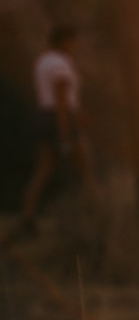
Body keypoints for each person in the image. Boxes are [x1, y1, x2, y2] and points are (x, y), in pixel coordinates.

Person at [5, 24, 99, 243]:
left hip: (45, 118)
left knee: (42, 170)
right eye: (73, 41)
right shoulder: (61, 65)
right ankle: (97, 212)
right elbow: (62, 102)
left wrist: (79, 116)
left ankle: (27, 217)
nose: (75, 46)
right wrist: (66, 134)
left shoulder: (43, 61)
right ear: (65, 41)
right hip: (60, 120)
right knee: (86, 169)